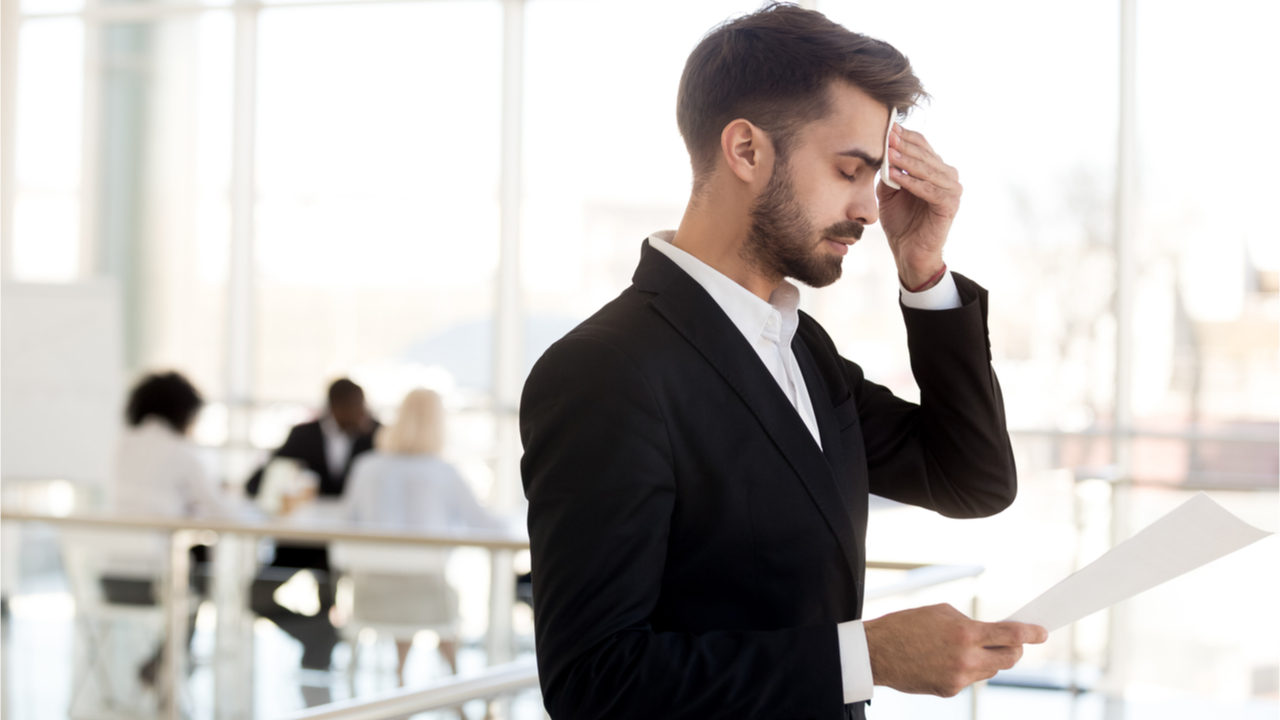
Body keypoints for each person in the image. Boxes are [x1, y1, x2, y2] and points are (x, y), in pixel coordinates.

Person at [518, 5, 1047, 719]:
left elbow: (972, 480)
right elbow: (596, 680)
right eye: (849, 170)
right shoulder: (604, 372)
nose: (869, 207)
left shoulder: (800, 347)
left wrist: (923, 272)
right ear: (745, 151)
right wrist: (870, 656)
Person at [339, 388, 505, 681]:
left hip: (371, 593)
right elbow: (485, 525)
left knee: (405, 589)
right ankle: (454, 692)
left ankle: (402, 679)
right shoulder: (443, 472)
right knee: (424, 591)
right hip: (427, 596)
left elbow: (345, 525)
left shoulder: (366, 466)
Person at [106, 370, 230, 685]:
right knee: (201, 570)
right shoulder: (182, 452)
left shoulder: (122, 444)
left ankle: (166, 662)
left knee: (193, 565)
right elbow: (224, 513)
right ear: (183, 412)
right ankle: (170, 663)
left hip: (110, 580)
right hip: (158, 582)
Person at [246, 377, 379, 670]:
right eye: (355, 407)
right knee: (256, 593)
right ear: (334, 408)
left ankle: (319, 664)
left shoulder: (377, 435)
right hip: (303, 542)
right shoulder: (304, 435)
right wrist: (294, 488)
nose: (362, 414)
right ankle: (318, 637)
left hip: (353, 546)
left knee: (329, 596)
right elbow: (256, 483)